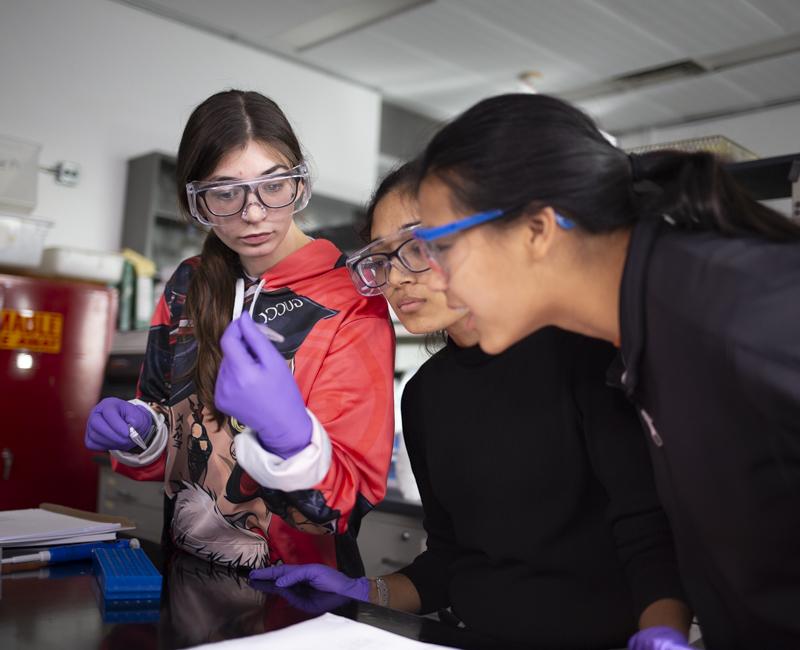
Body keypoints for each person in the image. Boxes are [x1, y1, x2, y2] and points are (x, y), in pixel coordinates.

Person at [409, 93, 800, 649]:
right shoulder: (644, 334)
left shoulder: (735, 318)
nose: (438, 281)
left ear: (537, 230)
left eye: (443, 246)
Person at [250, 162, 691, 649]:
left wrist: (662, 633)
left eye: (416, 247)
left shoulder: (586, 358)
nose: (395, 278)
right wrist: (364, 590)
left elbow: (651, 540)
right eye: (381, 258)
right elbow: (449, 559)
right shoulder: (425, 393)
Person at [84, 90, 395, 574]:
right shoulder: (187, 283)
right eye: (225, 192)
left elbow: (348, 501)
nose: (252, 213)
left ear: (300, 183)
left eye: (274, 186)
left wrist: (288, 437)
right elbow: (172, 445)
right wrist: (141, 432)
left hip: (298, 590)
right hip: (188, 577)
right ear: (197, 199)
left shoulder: (350, 297)